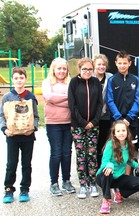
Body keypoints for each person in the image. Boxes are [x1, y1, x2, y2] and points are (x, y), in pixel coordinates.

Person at [0, 67, 39, 203]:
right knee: (11, 163)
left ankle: (24, 189)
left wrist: (33, 127)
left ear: (25, 79)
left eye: (21, 78)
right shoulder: (7, 97)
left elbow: (35, 115)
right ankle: (9, 189)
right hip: (12, 136)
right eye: (16, 78)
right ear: (12, 79)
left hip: (27, 137)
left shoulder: (30, 97)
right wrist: (4, 129)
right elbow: (2, 115)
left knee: (26, 164)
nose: (19, 80)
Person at [68, 58, 103, 199]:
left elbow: (100, 104)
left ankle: (93, 183)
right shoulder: (74, 83)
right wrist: (83, 122)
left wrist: (93, 122)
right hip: (78, 126)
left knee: (92, 155)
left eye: (90, 69)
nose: (87, 72)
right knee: (81, 155)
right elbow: (72, 105)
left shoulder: (96, 83)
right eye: (84, 69)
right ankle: (83, 184)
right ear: (79, 70)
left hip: (94, 126)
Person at [42, 57, 75, 196]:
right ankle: (54, 183)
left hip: (68, 123)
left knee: (67, 153)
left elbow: (73, 102)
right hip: (53, 123)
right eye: (59, 68)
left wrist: (57, 101)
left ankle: (66, 180)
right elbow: (49, 98)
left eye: (64, 68)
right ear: (53, 69)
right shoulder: (47, 82)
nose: (61, 71)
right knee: (56, 153)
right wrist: (66, 98)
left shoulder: (71, 83)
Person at [96, 120, 139, 214]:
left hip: (118, 177)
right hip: (104, 177)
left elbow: (129, 161)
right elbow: (104, 162)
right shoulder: (110, 144)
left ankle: (119, 192)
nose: (121, 133)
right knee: (108, 171)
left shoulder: (128, 144)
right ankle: (106, 200)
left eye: (123, 130)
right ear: (114, 134)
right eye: (118, 131)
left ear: (127, 132)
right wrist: (110, 166)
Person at [107, 50, 139, 174]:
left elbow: (138, 100)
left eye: (124, 63)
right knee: (118, 147)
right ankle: (118, 175)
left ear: (129, 63)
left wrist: (129, 117)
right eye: (120, 63)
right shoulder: (112, 80)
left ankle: (128, 175)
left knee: (130, 148)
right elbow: (110, 101)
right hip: (117, 121)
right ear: (116, 63)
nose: (122, 65)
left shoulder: (135, 80)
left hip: (131, 121)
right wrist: (120, 119)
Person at [93, 54, 113, 167]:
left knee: (103, 142)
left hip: (106, 115)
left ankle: (102, 166)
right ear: (94, 65)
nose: (101, 67)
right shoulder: (89, 76)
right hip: (92, 115)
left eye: (103, 64)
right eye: (99, 64)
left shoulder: (110, 77)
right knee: (93, 143)